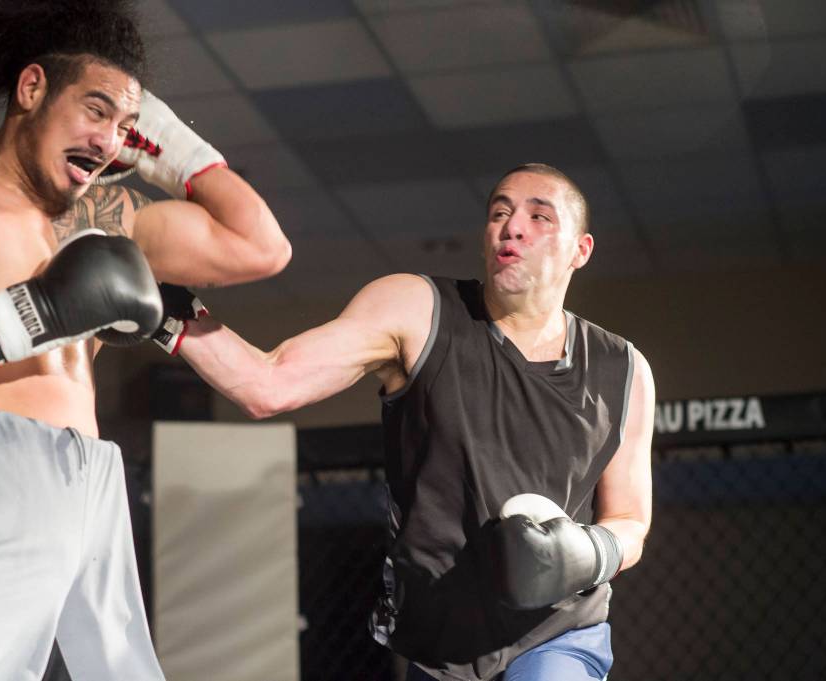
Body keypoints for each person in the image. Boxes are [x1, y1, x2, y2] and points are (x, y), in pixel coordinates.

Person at [0, 0, 290, 679]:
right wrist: (38, 311)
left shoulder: (110, 220)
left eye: (126, 126)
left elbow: (260, 246)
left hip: (90, 492)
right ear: (31, 89)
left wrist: (167, 143)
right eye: (95, 111)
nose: (111, 142)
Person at [160, 163, 654, 680]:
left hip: (558, 635)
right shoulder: (418, 310)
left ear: (581, 249)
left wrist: (586, 553)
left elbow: (630, 522)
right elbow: (269, 384)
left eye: (540, 216)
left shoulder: (622, 370)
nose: (513, 227)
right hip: (439, 645)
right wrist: (168, 309)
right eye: (500, 212)